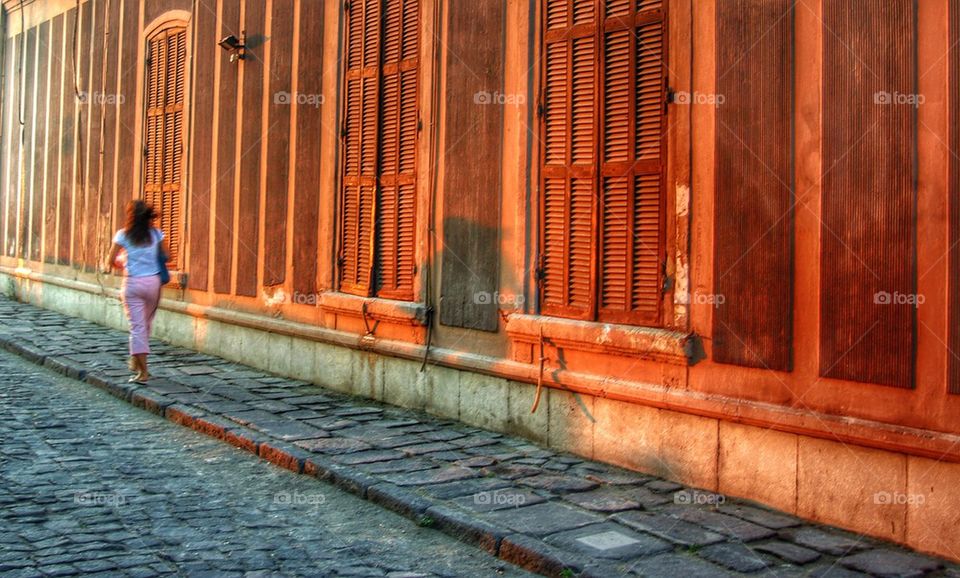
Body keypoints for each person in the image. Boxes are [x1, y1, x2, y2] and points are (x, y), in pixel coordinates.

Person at [103, 200, 169, 383]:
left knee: (137, 327)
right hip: (153, 283)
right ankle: (136, 360)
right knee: (146, 324)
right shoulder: (156, 234)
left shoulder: (123, 235)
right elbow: (167, 255)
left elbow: (110, 260)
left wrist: (123, 260)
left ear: (130, 216)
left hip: (132, 284)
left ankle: (143, 372)